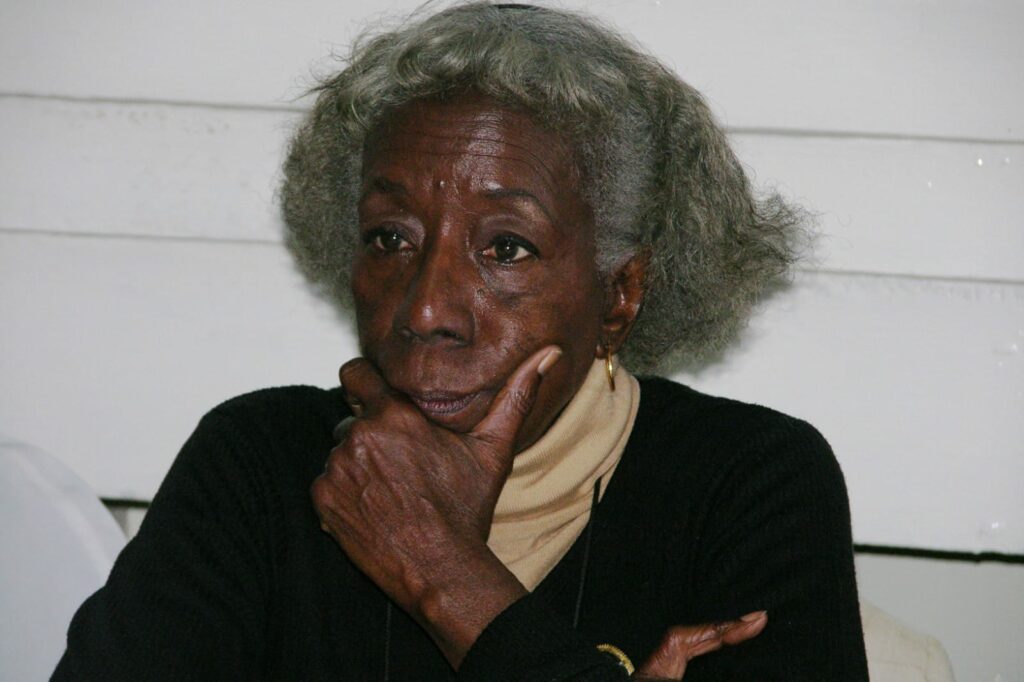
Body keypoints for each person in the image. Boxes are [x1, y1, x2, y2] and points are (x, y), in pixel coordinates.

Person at [54, 3, 868, 679]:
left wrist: (441, 570)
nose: (426, 309)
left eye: (505, 248)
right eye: (390, 238)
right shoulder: (258, 466)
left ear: (619, 294)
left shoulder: (747, 484)